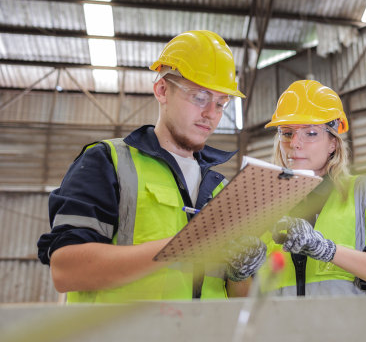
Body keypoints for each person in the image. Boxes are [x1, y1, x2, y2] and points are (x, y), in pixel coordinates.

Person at [37, 30, 266, 303]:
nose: (211, 115)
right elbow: (66, 270)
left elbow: (236, 300)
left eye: (220, 103)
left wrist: (241, 274)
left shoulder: (223, 191)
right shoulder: (108, 161)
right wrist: (182, 246)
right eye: (200, 97)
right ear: (162, 90)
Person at [257, 79, 366, 296]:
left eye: (311, 133)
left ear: (333, 143)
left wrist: (327, 250)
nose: (295, 143)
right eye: (287, 133)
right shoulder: (265, 207)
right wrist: (238, 272)